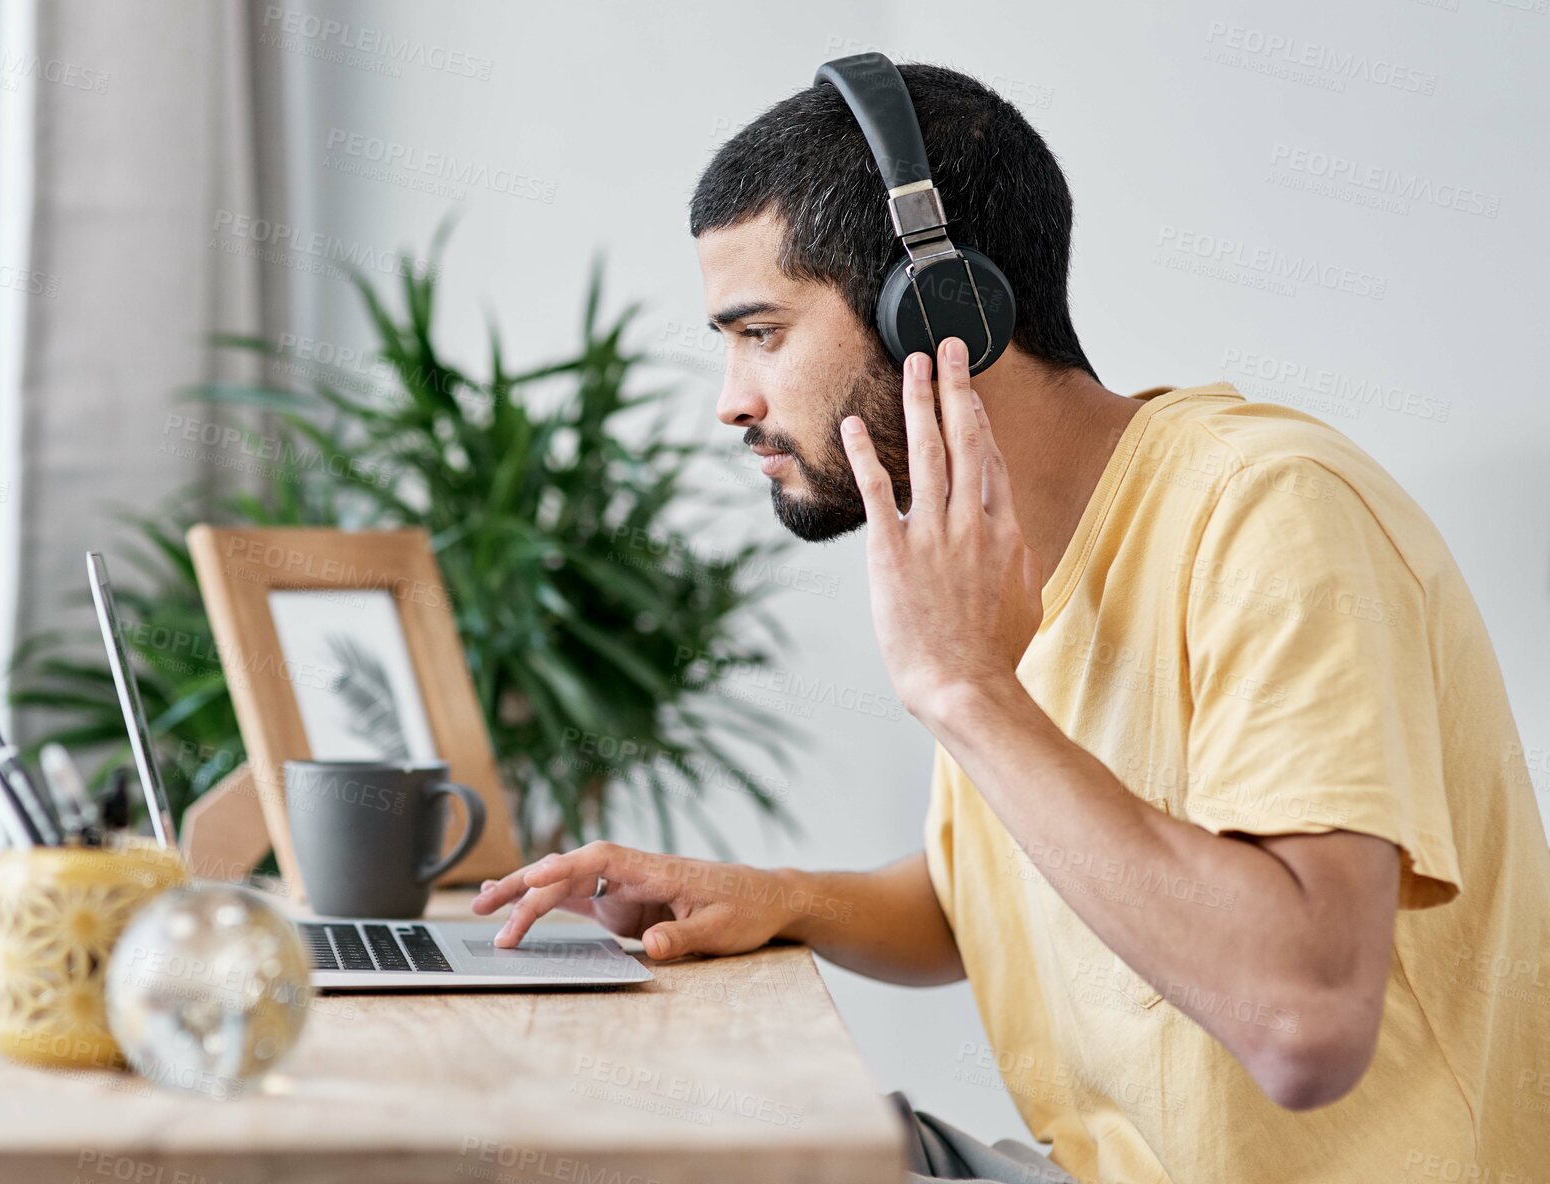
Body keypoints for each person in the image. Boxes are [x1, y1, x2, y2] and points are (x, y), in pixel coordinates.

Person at [474, 62, 1550, 1183]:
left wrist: (968, 691)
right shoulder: (993, 553)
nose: (731, 399)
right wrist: (783, 897)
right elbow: (1014, 880)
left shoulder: (1272, 512)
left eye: (762, 332)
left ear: (939, 311)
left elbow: (1304, 1018)